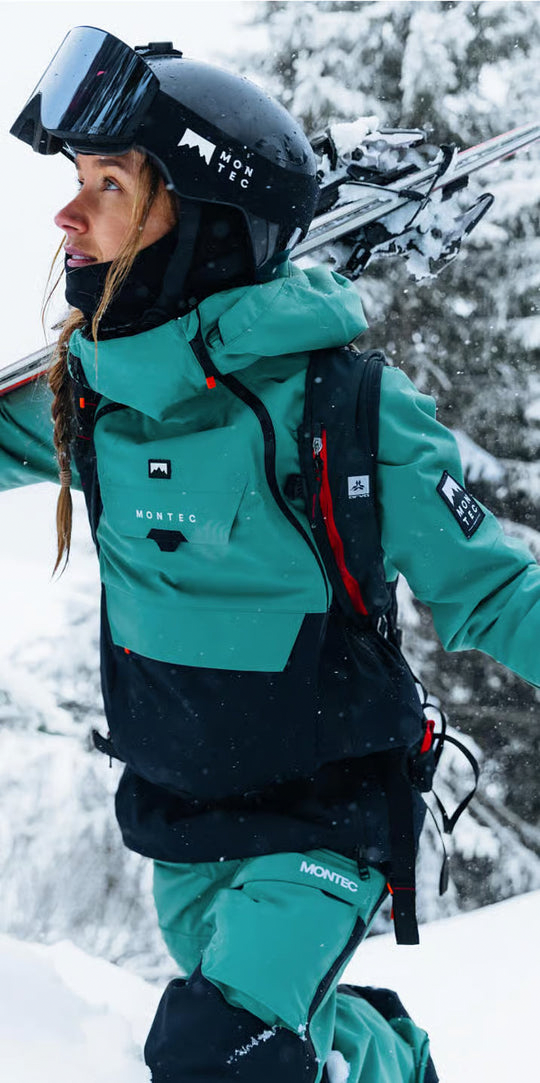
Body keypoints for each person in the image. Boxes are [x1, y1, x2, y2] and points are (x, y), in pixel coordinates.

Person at [3, 26, 539, 1083]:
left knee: (216, 1051)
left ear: (201, 220)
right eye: (76, 180)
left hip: (325, 815)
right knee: (285, 1042)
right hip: (181, 811)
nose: (68, 215)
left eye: (108, 185)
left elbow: (496, 590)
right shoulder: (91, 400)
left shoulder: (348, 410)